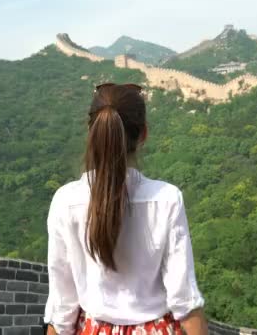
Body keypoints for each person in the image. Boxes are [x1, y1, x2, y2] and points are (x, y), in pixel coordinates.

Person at [44, 83, 208, 335]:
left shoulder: (66, 201)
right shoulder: (166, 199)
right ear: (143, 135)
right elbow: (184, 300)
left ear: (92, 131)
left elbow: (62, 306)